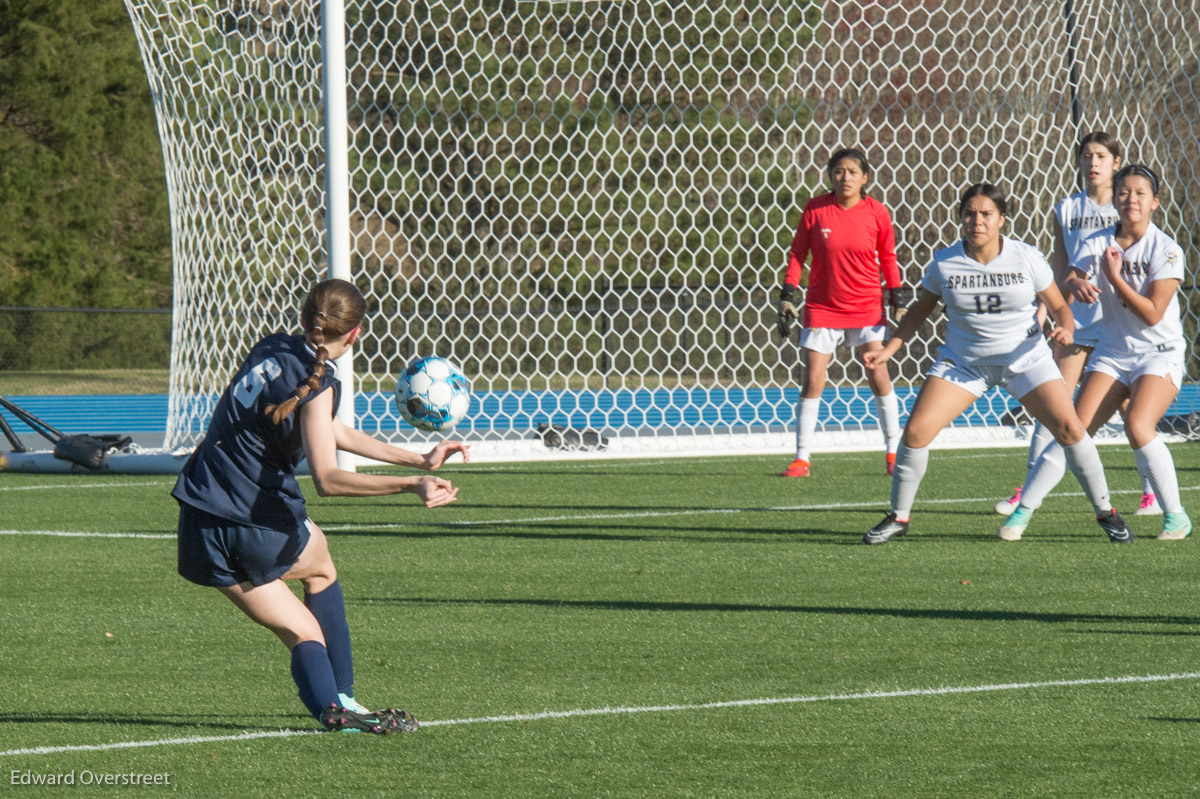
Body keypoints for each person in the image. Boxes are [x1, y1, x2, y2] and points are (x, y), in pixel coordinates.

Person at [172, 278, 469, 732]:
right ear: (356, 333)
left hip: (198, 516)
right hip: (256, 520)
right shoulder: (318, 383)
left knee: (308, 604)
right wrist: (414, 483)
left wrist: (419, 457)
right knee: (317, 587)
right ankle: (342, 703)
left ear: (305, 318)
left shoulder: (269, 348)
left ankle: (336, 706)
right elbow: (328, 479)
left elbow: (329, 430)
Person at [861, 183, 1130, 545]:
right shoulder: (944, 262)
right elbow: (920, 311)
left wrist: (1065, 328)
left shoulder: (1026, 258)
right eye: (970, 213)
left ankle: (1106, 512)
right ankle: (898, 516)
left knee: (1070, 429)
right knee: (916, 432)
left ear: (1002, 219)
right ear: (960, 218)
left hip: (1025, 359)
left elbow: (1060, 306)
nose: (977, 221)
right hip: (964, 364)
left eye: (986, 213)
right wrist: (890, 349)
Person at [998, 165, 1192, 541]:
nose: (1131, 199)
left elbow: (1152, 314)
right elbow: (1071, 276)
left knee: (1138, 425)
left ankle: (1176, 516)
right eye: (1124, 192)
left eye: (1139, 193)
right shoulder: (1100, 239)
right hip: (1114, 351)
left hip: (1160, 352)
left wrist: (1114, 277)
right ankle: (1022, 513)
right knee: (1073, 430)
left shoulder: (1166, 249)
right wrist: (1077, 283)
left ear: (1155, 202)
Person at [776, 148, 909, 478]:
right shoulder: (815, 209)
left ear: (865, 177)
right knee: (813, 380)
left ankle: (893, 452)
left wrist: (898, 296)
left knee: (878, 375)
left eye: (852, 171)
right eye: (839, 171)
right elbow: (797, 255)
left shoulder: (877, 212)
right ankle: (801, 458)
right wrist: (788, 295)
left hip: (866, 306)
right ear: (830, 175)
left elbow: (888, 258)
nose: (845, 177)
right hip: (822, 307)